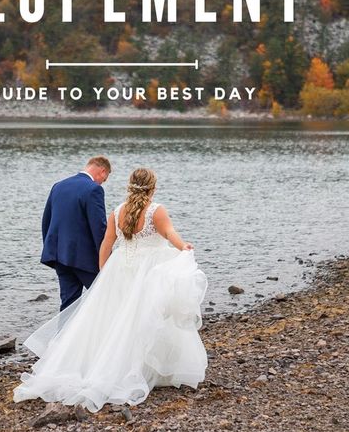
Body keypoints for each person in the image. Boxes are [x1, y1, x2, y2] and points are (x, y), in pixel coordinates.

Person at [14, 168, 208, 412]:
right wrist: (184, 246)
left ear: (130, 186)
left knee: (115, 320)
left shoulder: (118, 211)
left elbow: (107, 244)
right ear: (153, 187)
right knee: (145, 317)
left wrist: (104, 273)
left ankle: (109, 364)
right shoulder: (156, 210)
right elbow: (169, 233)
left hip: (120, 268)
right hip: (148, 270)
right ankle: (140, 369)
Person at [41, 156, 111, 311]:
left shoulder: (58, 186)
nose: (102, 182)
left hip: (60, 257)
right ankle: (103, 334)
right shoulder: (94, 189)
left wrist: (53, 251)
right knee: (107, 299)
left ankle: (64, 336)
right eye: (104, 179)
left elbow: (46, 221)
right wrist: (107, 258)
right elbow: (99, 228)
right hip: (84, 260)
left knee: (68, 306)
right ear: (102, 171)